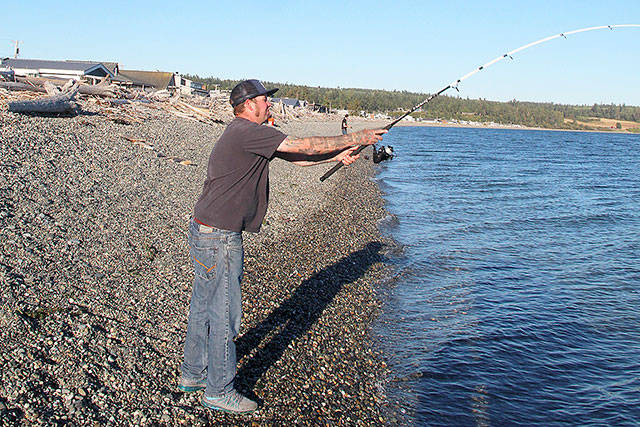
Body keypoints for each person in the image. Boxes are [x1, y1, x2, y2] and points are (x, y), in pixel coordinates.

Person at [178, 79, 386, 414]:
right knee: (224, 315)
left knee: (204, 307)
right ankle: (219, 390)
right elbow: (304, 145)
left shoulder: (247, 134)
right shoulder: (247, 131)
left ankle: (193, 373)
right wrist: (357, 137)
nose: (270, 104)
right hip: (219, 237)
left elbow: (297, 157)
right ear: (249, 105)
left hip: (205, 229)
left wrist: (337, 155)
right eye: (265, 100)